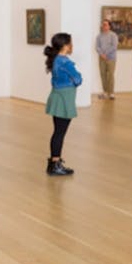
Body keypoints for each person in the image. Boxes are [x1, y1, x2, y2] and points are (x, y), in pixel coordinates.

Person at [43, 33, 82, 176]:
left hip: (57, 96)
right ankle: (55, 164)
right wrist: (74, 81)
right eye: (70, 43)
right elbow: (78, 79)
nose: (72, 46)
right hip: (64, 99)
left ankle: (54, 162)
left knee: (58, 132)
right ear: (65, 46)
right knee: (60, 132)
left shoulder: (55, 60)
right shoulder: (65, 62)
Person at [94, 19, 119, 100]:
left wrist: (106, 54)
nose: (104, 26)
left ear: (109, 26)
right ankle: (105, 92)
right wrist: (101, 54)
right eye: (103, 24)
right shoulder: (99, 36)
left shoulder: (113, 35)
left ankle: (111, 93)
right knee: (103, 75)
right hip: (101, 58)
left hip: (111, 58)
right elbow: (97, 47)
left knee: (110, 75)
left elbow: (114, 46)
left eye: (105, 24)